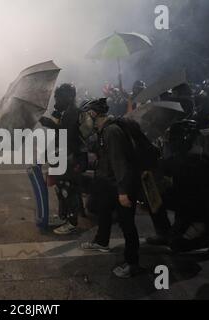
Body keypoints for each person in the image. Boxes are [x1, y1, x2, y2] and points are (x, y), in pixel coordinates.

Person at [79, 99, 142, 278]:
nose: (84, 120)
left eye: (86, 115)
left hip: (120, 185)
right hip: (108, 183)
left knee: (127, 224)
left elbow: (119, 161)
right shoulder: (103, 130)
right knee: (103, 211)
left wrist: (123, 192)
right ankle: (101, 242)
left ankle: (132, 263)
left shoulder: (112, 131)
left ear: (93, 114)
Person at [147, 120, 209, 257]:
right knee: (152, 199)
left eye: (173, 139)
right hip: (188, 207)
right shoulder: (189, 158)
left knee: (177, 244)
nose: (171, 143)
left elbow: (198, 198)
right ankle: (167, 233)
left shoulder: (197, 161)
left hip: (201, 212)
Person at [39, 83, 87, 235]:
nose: (56, 100)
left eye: (59, 97)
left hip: (72, 157)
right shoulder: (64, 111)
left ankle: (72, 222)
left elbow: (68, 134)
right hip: (61, 155)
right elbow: (57, 133)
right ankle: (63, 216)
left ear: (69, 97)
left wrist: (50, 124)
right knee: (60, 187)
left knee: (69, 188)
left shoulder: (74, 113)